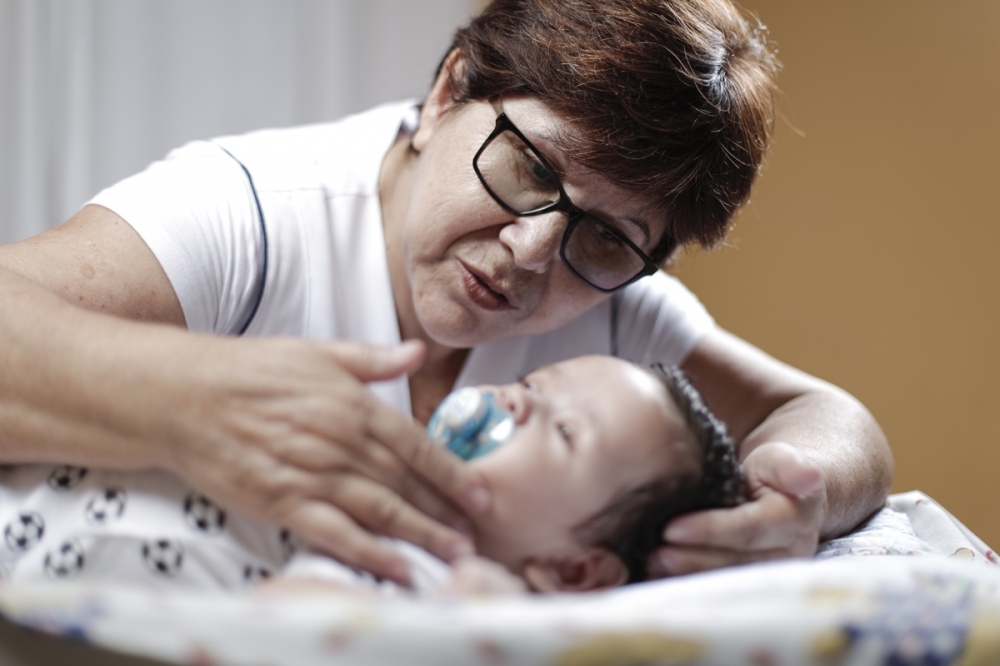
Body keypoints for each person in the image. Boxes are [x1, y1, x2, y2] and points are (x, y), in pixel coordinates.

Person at [0, 0, 893, 587]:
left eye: (608, 234)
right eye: (528, 165)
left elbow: (828, 415)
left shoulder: (608, 301)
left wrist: (799, 496)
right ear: (446, 94)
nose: (534, 250)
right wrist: (186, 401)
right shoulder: (248, 214)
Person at [0, 356, 744, 595]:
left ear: (576, 569)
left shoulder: (428, 574)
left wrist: (483, 612)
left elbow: (303, 628)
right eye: (534, 381)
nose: (517, 397)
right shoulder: (363, 455)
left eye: (562, 429)